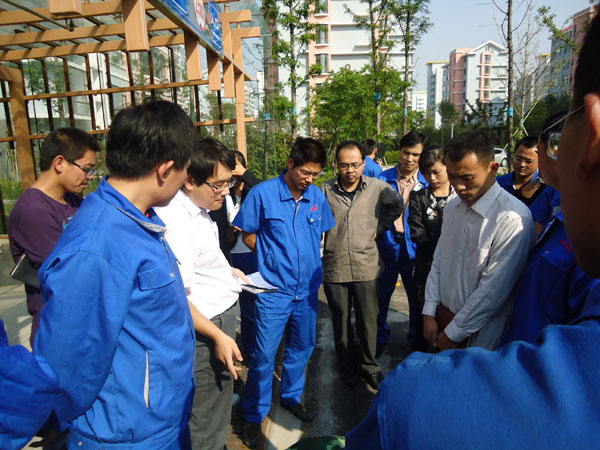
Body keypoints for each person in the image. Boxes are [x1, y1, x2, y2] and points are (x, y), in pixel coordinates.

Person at [34, 100, 198, 449]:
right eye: (185, 171)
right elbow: (67, 358)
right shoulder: (97, 246)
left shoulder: (137, 221)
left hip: (158, 420)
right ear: (165, 169)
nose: (186, 180)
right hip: (124, 433)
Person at [233, 138, 335, 448]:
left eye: (316, 174)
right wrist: (272, 260)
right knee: (264, 355)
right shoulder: (263, 194)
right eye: (305, 172)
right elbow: (248, 234)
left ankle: (291, 396)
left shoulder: (316, 197)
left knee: (302, 348)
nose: (310, 179)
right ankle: (255, 414)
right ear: (290, 163)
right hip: (273, 291)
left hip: (307, 293)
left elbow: (320, 234)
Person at [155, 137, 246, 450]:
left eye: (229, 182)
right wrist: (218, 336)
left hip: (215, 324)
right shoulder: (178, 222)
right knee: (206, 418)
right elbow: (177, 296)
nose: (226, 192)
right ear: (189, 180)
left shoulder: (200, 208)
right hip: (207, 332)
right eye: (218, 185)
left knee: (215, 408)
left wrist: (226, 272)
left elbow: (198, 264)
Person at [422, 132, 535, 351]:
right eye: (452, 176)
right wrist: (429, 311)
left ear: (493, 168)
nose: (458, 186)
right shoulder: (453, 207)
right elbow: (439, 260)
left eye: (467, 178)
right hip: (442, 324)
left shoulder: (512, 219)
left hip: (479, 339)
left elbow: (493, 292)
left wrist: (454, 333)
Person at [501, 112, 600, 345]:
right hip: (519, 341)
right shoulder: (556, 201)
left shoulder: (589, 238)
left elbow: (585, 346)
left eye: (537, 153)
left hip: (540, 357)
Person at [321, 140, 403, 390]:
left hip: (366, 265)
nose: (350, 170)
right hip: (335, 266)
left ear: (363, 163)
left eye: (355, 165)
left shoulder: (378, 188)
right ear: (336, 164)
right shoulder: (324, 191)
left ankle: (369, 367)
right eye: (344, 165)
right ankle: (346, 366)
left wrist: (380, 227)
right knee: (341, 322)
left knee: (368, 321)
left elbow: (397, 205)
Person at [8, 128, 100, 347]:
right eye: (86, 168)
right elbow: (67, 272)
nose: (90, 176)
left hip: (86, 321)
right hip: (59, 329)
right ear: (60, 163)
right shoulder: (33, 211)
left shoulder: (73, 200)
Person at [377, 131, 428, 354]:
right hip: (387, 246)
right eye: (406, 152)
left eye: (416, 154)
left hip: (414, 248)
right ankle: (378, 338)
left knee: (417, 299)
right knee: (380, 297)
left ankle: (416, 340)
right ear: (399, 151)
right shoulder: (382, 180)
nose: (410, 158)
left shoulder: (427, 182)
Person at [407, 145, 455, 351]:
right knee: (424, 313)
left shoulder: (460, 195)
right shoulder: (419, 197)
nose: (431, 178)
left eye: (436, 171)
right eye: (426, 173)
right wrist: (436, 254)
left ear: (447, 167)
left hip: (456, 266)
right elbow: (417, 231)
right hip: (427, 264)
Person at [228, 150, 262, 357]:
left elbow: (265, 189)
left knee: (251, 306)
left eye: (235, 166)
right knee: (231, 305)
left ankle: (252, 349)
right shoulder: (224, 191)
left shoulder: (254, 191)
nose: (232, 171)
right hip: (230, 254)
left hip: (251, 253)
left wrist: (245, 175)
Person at [495, 136, 546, 207]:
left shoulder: (544, 188)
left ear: (540, 162)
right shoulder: (497, 184)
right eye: (518, 159)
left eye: (528, 161)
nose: (522, 164)